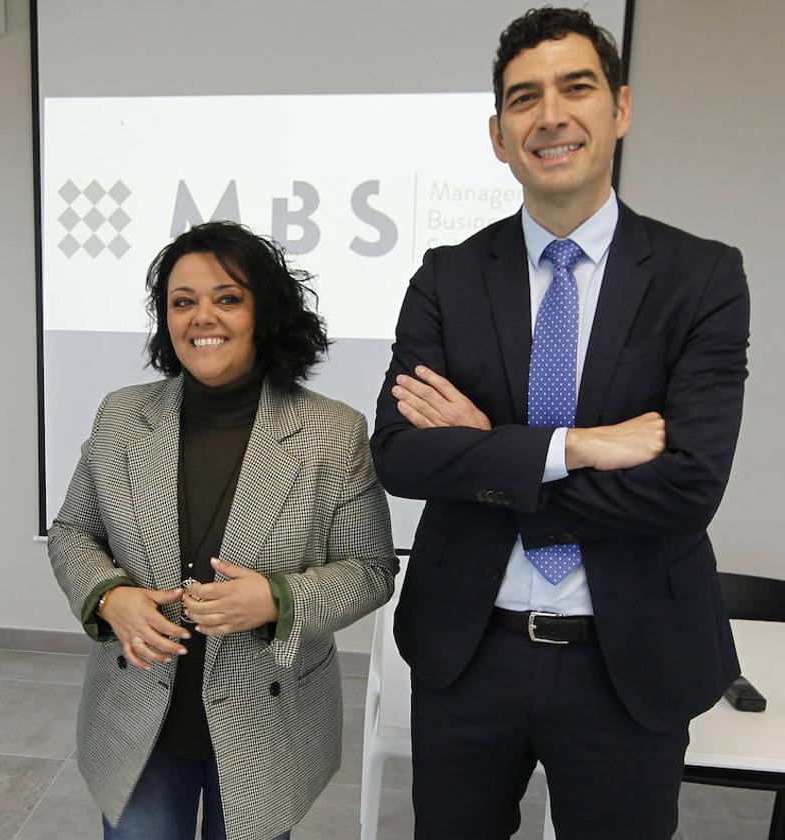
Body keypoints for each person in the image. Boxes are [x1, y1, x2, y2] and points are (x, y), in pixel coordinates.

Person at [371, 8, 749, 839]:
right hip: (468, 652)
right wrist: (574, 448)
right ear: (499, 136)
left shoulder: (703, 278)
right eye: (523, 98)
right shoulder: (447, 278)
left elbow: (685, 489)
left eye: (576, 88)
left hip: (629, 661)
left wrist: (488, 459)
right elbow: (399, 456)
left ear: (621, 108)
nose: (550, 116)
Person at [49, 221, 397, 840]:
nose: (202, 317)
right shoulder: (120, 415)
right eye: (182, 302)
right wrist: (109, 597)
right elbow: (75, 530)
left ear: (265, 313)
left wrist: (277, 599)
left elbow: (370, 570)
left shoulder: (333, 432)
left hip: (269, 718)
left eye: (227, 298)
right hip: (138, 715)